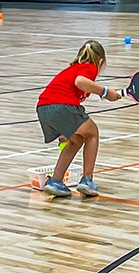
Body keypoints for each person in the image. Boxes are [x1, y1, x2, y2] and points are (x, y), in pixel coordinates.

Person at [36, 40, 122, 198]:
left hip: (43, 108)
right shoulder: (89, 67)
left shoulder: (73, 69)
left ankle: (56, 181)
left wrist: (64, 131)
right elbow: (80, 82)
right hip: (61, 106)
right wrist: (104, 92)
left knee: (76, 140)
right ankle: (87, 181)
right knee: (92, 133)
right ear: (100, 61)